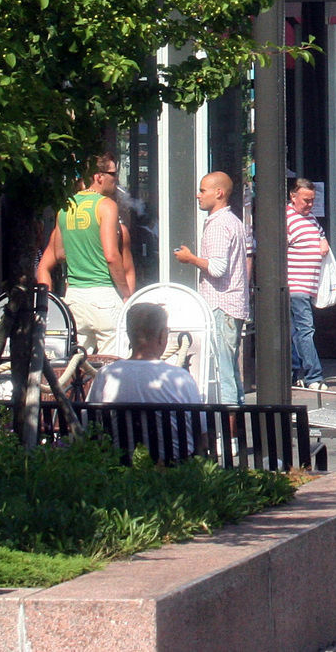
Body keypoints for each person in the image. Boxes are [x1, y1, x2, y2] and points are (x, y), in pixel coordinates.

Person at [36, 155, 133, 355]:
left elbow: (59, 253)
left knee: (76, 368)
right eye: (113, 174)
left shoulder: (66, 207)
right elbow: (111, 256)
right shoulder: (106, 205)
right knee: (113, 366)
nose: (117, 180)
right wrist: (126, 293)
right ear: (98, 176)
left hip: (75, 298)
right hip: (104, 293)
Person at [89, 302, 205, 458]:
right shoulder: (180, 378)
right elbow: (202, 434)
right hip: (174, 472)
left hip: (120, 470)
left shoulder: (105, 375)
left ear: (129, 335)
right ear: (162, 336)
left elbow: (89, 426)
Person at [171, 171, 246, 404]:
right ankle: (235, 433)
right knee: (231, 371)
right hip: (231, 304)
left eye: (203, 190)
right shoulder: (232, 221)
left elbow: (217, 268)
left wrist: (190, 258)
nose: (198, 195)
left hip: (221, 305)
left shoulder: (219, 224)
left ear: (219, 193)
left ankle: (229, 431)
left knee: (223, 372)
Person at [284, 181, 331, 392]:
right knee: (305, 330)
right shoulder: (286, 219)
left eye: (313, 200)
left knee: (296, 330)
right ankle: (314, 375)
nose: (310, 205)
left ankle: (295, 373)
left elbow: (320, 233)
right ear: (293, 197)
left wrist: (323, 240)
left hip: (307, 285)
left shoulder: (310, 218)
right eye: (306, 200)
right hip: (296, 284)